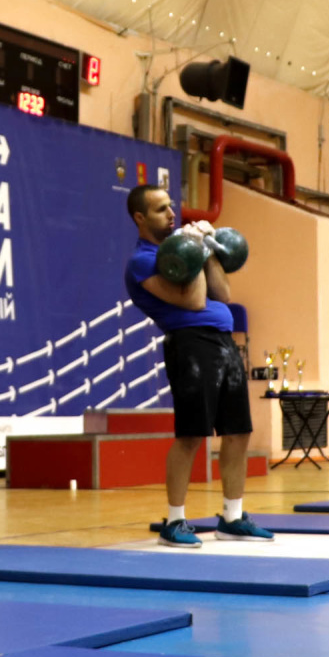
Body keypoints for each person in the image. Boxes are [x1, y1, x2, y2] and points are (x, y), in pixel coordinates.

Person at [124, 185, 274, 547]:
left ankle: (232, 517)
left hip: (223, 341)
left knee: (238, 432)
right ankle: (174, 523)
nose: (172, 214)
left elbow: (223, 294)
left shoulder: (181, 246)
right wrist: (191, 250)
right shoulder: (143, 261)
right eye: (161, 210)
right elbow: (192, 301)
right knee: (192, 435)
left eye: (171, 206)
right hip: (190, 344)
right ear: (140, 218)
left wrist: (207, 251)